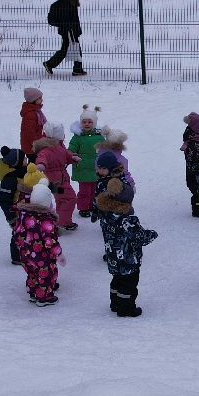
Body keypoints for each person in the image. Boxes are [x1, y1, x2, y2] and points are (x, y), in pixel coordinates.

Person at [92, 150, 156, 316]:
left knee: (117, 279)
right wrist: (150, 235)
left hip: (112, 253)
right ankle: (125, 308)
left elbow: (97, 201)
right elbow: (138, 235)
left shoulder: (106, 211)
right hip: (128, 258)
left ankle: (115, 303)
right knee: (129, 282)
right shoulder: (127, 218)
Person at [12, 179, 64, 306]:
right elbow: (50, 241)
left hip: (26, 254)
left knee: (32, 273)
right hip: (42, 256)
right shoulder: (45, 221)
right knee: (46, 274)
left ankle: (33, 292)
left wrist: (21, 246)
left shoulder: (24, 216)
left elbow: (16, 232)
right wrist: (59, 254)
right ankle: (44, 297)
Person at [31, 120, 80, 231]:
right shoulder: (46, 149)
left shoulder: (58, 145)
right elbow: (42, 157)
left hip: (61, 178)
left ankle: (58, 219)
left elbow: (65, 154)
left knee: (61, 199)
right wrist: (41, 165)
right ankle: (63, 222)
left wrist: (72, 157)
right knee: (70, 198)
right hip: (55, 181)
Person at [67, 105, 105, 218]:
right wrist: (71, 156)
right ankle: (83, 208)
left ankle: (92, 206)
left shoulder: (99, 137)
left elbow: (104, 150)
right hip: (82, 169)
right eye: (84, 122)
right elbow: (71, 150)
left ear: (94, 123)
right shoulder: (77, 138)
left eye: (89, 122)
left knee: (94, 190)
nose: (87, 124)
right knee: (84, 191)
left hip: (96, 168)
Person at [43, 0, 86, 76]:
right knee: (75, 49)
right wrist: (65, 26)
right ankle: (77, 69)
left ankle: (50, 64)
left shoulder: (72, 0)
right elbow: (66, 17)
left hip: (71, 30)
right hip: (68, 30)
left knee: (67, 49)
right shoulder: (66, 1)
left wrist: (77, 30)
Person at [19, 87, 47, 155]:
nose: (42, 100)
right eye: (40, 98)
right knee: (34, 161)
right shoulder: (30, 115)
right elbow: (30, 133)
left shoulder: (36, 111)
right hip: (31, 147)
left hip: (35, 144)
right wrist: (38, 145)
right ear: (33, 100)